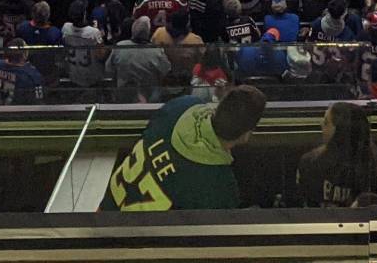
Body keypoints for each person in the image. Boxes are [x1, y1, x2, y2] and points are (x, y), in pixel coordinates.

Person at [105, 84, 267, 211]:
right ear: (246, 134)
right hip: (132, 243)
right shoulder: (220, 186)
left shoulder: (181, 107)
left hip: (106, 210)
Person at [293, 101, 377, 207]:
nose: (321, 124)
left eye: (326, 122)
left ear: (339, 133)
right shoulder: (309, 163)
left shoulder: (310, 163)